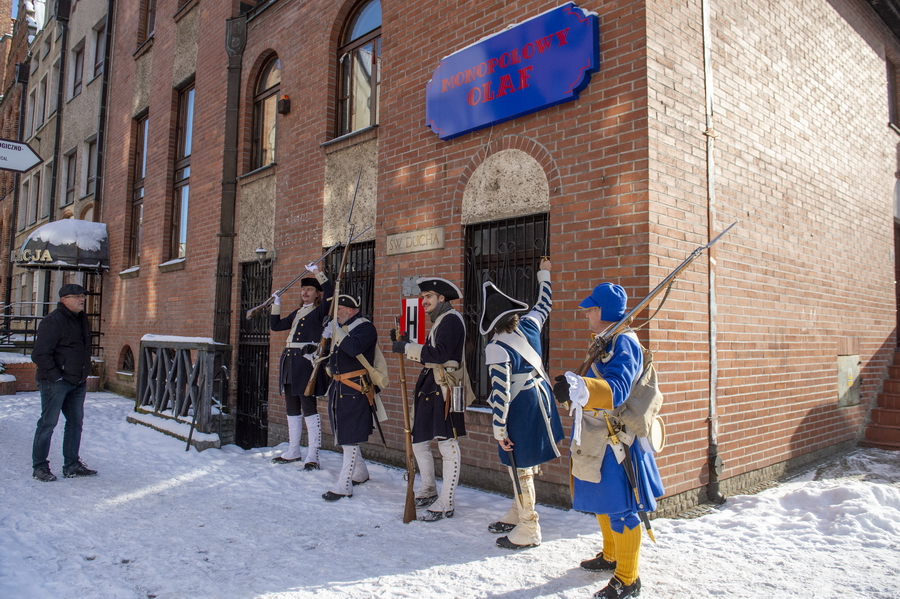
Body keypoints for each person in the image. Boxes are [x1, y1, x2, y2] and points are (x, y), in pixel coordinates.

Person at [553, 283, 664, 599]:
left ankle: (628, 579)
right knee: (604, 498)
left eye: (590, 309)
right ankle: (611, 554)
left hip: (618, 439)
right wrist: (573, 389)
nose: (586, 314)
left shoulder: (624, 343)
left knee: (621, 507)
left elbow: (617, 390)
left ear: (604, 312)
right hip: (600, 434)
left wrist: (580, 389)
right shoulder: (608, 340)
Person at [480, 258, 564, 549]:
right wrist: (544, 274)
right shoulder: (530, 323)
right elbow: (544, 303)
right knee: (518, 465)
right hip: (542, 399)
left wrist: (498, 429)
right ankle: (518, 510)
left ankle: (529, 527)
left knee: (520, 466)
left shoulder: (495, 347)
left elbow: (501, 392)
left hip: (522, 407)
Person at [391, 277, 470, 522]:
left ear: (442, 299)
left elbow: (440, 354)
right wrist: (406, 344)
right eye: (423, 297)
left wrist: (407, 348)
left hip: (445, 388)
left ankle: (446, 501)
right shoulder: (440, 321)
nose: (424, 301)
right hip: (431, 385)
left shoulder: (451, 320)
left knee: (447, 443)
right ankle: (428, 489)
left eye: (428, 297)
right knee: (419, 439)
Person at [269, 263, 333, 470]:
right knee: (291, 407)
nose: (305, 293)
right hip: (289, 361)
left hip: (305, 362)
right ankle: (294, 449)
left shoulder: (320, 310)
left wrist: (317, 273)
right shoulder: (298, 312)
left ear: (317, 294)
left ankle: (313, 454)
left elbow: (331, 291)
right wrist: (276, 303)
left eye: (310, 290)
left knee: (308, 408)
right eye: (303, 290)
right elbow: (276, 326)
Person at [31, 283, 97, 482]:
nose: (82, 299)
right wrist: (55, 377)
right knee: (48, 424)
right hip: (55, 382)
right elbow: (40, 354)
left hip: (77, 381)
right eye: (77, 296)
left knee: (75, 423)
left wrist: (83, 373)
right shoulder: (53, 321)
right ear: (64, 300)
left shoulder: (81, 319)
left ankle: (72, 465)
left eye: (83, 296)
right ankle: (40, 467)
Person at [321, 294, 376, 501]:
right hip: (339, 385)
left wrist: (336, 331)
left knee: (349, 435)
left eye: (340, 310)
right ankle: (360, 472)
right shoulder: (342, 329)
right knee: (343, 433)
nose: (336, 315)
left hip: (355, 388)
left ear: (351, 310)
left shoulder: (365, 328)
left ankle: (344, 484)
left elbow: (353, 349)